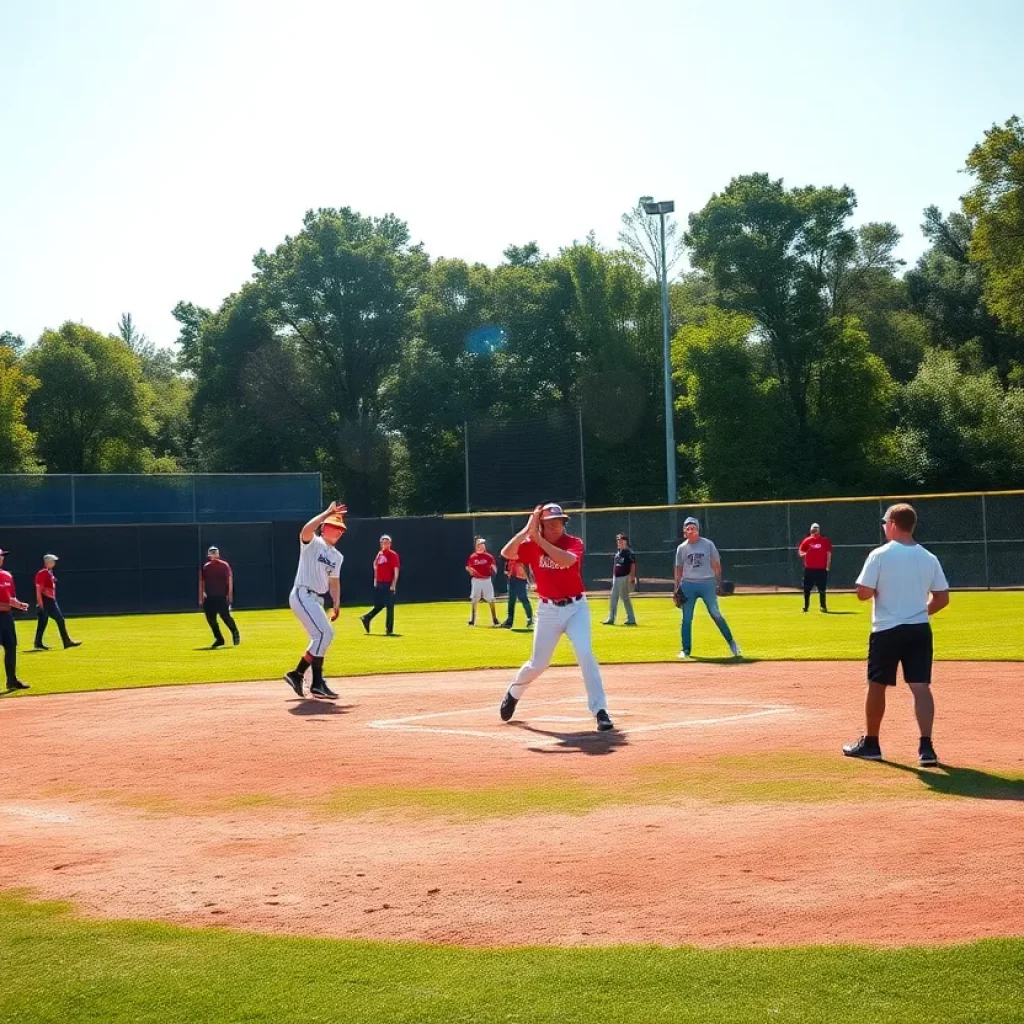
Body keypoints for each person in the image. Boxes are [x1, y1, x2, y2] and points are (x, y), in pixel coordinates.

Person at [843, 503, 950, 767]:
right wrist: (919, 612)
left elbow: (863, 593)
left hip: (887, 630)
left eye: (884, 523)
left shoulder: (880, 555)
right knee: (920, 687)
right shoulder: (928, 557)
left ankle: (872, 744)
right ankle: (926, 749)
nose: (883, 527)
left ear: (892, 523)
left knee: (877, 686)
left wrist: (876, 591)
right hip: (919, 629)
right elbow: (942, 598)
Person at [498, 503, 614, 733]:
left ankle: (600, 710)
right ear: (541, 524)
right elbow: (506, 553)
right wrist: (526, 531)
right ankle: (514, 693)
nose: (556, 525)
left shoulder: (573, 543)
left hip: (575, 608)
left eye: (559, 521)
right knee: (538, 664)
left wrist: (539, 540)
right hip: (548, 610)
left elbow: (566, 561)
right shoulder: (530, 544)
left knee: (585, 653)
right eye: (550, 522)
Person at [283, 503, 347, 699]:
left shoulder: (337, 556)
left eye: (340, 529)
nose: (336, 531)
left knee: (320, 637)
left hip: (317, 600)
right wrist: (327, 513)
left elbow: (334, 581)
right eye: (332, 526)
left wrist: (336, 603)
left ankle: (298, 674)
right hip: (303, 593)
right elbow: (305, 530)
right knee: (326, 633)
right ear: (323, 527)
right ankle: (316, 682)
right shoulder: (313, 542)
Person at [674, 517, 741, 660]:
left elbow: (716, 564)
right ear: (684, 531)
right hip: (688, 584)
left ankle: (732, 643)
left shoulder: (707, 544)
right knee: (686, 618)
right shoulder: (682, 548)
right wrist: (676, 587)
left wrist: (718, 582)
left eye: (694, 527)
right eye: (688, 528)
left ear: (698, 530)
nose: (691, 530)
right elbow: (679, 569)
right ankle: (685, 649)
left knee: (715, 613)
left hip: (707, 583)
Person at [33, 553, 82, 650]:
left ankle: (39, 643)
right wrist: (40, 602)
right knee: (57, 620)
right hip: (47, 601)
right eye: (52, 561)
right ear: (47, 562)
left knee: (45, 622)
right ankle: (66, 642)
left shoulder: (49, 572)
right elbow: (39, 589)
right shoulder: (43, 572)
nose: (54, 562)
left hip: (49, 600)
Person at [0, 548, 31, 691]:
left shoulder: (7, 575)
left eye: (2, 556)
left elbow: (10, 598)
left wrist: (19, 604)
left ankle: (11, 680)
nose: (2, 558)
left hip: (6, 617)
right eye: (0, 556)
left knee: (11, 647)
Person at [199, 546, 240, 648]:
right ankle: (219, 639)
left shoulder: (224, 566)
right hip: (210, 597)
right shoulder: (206, 567)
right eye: (211, 553)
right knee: (210, 618)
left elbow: (229, 580)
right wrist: (201, 596)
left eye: (214, 552)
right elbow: (202, 582)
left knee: (225, 616)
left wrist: (229, 595)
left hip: (221, 596)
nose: (212, 555)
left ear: (218, 554)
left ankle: (235, 633)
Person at [360, 535, 400, 635]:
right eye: (383, 542)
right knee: (380, 605)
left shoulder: (393, 555)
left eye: (386, 542)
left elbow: (396, 570)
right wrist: (375, 580)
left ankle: (388, 629)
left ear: (390, 544)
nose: (384, 544)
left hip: (388, 583)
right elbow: (375, 566)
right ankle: (367, 618)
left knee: (389, 606)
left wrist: (393, 584)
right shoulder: (379, 554)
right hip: (379, 584)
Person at [602, 533, 637, 626]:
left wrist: (632, 577)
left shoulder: (629, 552)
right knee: (613, 597)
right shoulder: (618, 552)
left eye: (621, 540)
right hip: (616, 578)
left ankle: (631, 618)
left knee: (625, 598)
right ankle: (611, 618)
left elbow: (633, 565)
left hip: (624, 577)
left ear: (625, 541)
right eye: (618, 540)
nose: (619, 542)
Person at [798, 523, 833, 613]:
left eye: (816, 530)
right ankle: (806, 607)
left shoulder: (825, 541)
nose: (815, 531)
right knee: (807, 589)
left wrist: (827, 566)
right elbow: (801, 552)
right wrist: (807, 554)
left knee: (822, 589)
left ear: (819, 530)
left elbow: (828, 554)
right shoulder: (807, 541)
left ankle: (823, 606)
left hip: (821, 569)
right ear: (810, 530)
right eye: (813, 530)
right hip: (809, 569)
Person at [465, 537, 500, 627]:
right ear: (476, 546)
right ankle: (472, 620)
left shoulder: (488, 556)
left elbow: (493, 566)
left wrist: (494, 571)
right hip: (476, 581)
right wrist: (470, 570)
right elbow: (468, 567)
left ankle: (494, 618)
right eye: (479, 545)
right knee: (474, 599)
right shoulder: (472, 557)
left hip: (486, 580)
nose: (481, 546)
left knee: (491, 599)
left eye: (483, 545)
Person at [500, 554, 533, 629]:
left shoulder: (524, 552)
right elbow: (507, 560)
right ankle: (509, 621)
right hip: (512, 577)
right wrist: (508, 571)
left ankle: (530, 619)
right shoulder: (512, 552)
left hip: (521, 578)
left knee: (523, 598)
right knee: (511, 599)